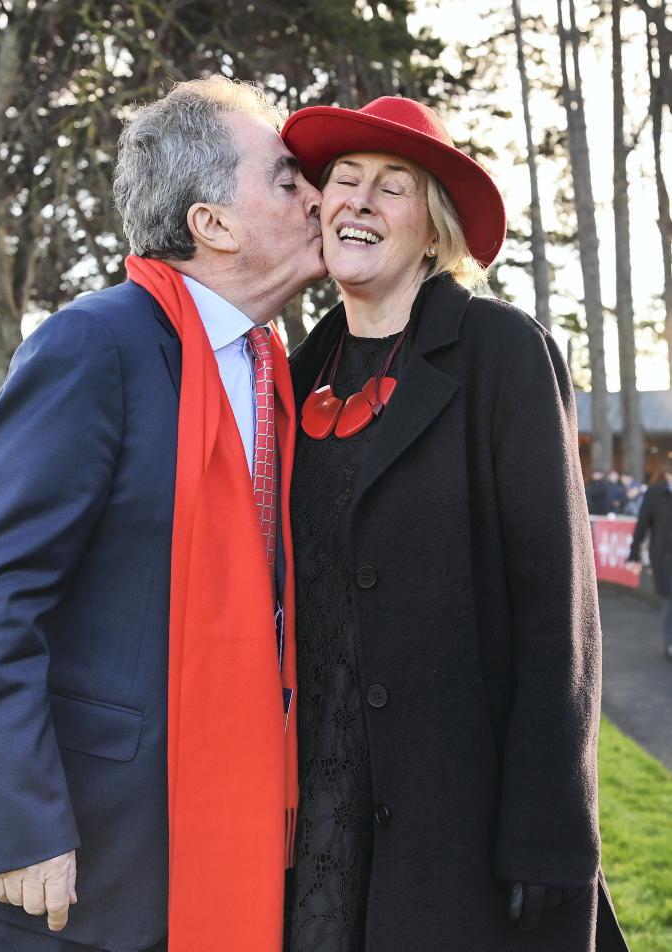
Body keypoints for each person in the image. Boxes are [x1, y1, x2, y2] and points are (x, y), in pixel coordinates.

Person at [0, 76, 325, 952]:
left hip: (231, 831)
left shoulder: (275, 366)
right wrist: (24, 824)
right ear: (213, 224)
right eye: (286, 179)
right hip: (80, 868)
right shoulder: (95, 344)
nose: (316, 197)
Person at [280, 97, 627, 951]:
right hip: (315, 815)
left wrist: (548, 830)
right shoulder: (291, 374)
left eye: (392, 186)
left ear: (433, 232)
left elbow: (558, 610)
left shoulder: (503, 353)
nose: (359, 200)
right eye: (345, 179)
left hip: (460, 815)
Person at [626, 461, 672, 661]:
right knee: (670, 600)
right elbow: (642, 524)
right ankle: (670, 642)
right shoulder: (655, 493)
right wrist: (634, 554)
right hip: (664, 557)